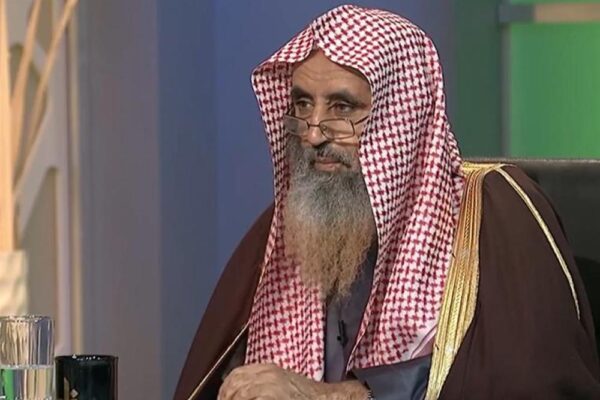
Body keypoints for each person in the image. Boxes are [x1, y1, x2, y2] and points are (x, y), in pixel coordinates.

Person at [174, 5, 600, 400]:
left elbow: (527, 380)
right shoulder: (290, 226)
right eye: (302, 103)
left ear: (401, 114)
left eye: (342, 106)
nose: (314, 133)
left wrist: (340, 394)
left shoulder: (493, 212)